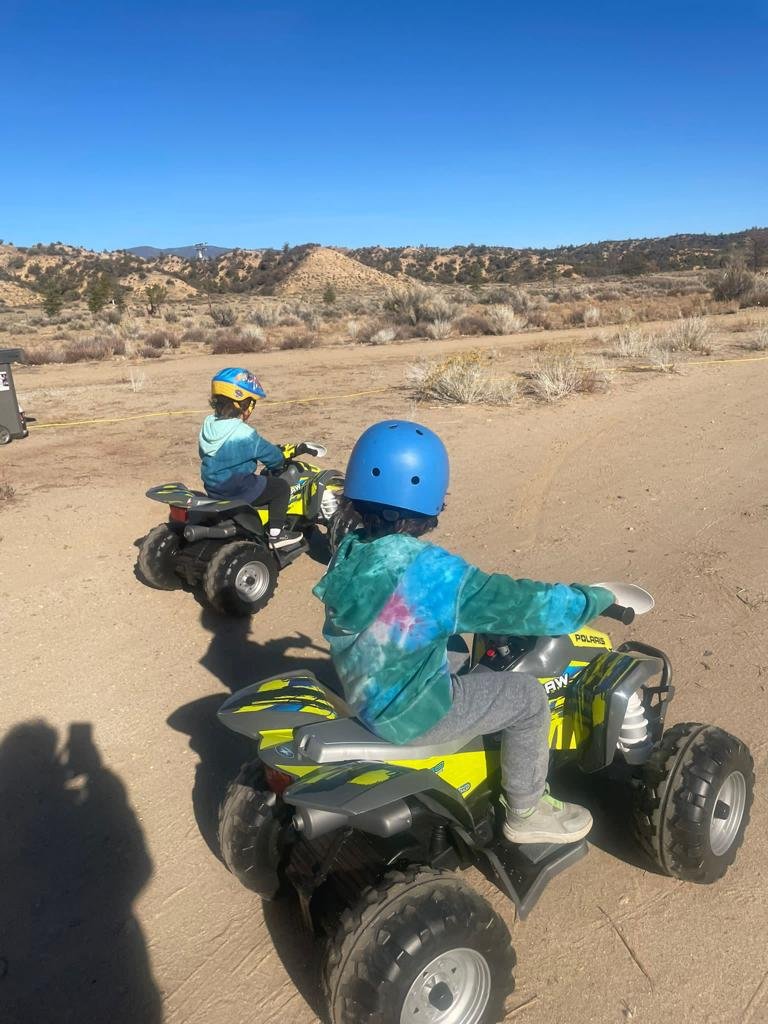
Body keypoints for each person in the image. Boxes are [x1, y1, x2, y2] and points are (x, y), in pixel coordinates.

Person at [313, 419, 615, 845]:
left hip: (364, 692)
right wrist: (590, 600)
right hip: (410, 715)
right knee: (528, 698)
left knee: (452, 641)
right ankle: (527, 812)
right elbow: (518, 604)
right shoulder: (431, 574)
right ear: (429, 494)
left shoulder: (349, 552)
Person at [199, 368, 299, 548]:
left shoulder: (207, 425)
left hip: (213, 488)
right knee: (281, 488)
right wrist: (280, 458)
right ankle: (277, 535)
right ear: (244, 404)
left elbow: (204, 453)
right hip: (238, 489)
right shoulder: (244, 433)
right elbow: (273, 458)